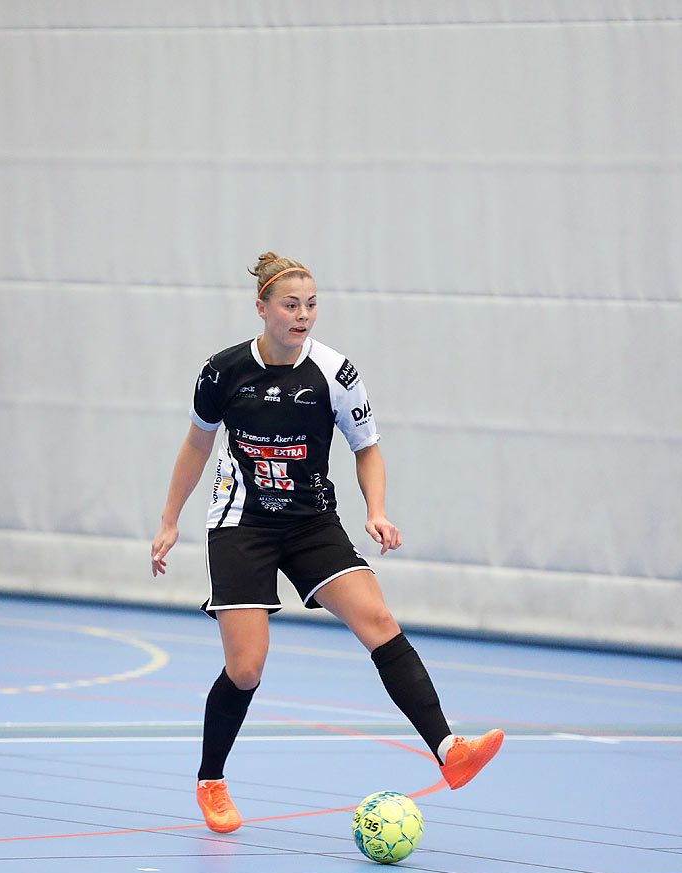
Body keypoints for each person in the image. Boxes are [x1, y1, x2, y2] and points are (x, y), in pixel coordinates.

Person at [151, 252, 504, 834]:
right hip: (242, 524)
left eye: (311, 304)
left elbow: (367, 447)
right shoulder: (222, 373)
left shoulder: (336, 373)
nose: (303, 315)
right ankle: (211, 779)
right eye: (291, 305)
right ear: (261, 308)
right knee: (246, 668)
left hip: (311, 522)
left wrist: (378, 510)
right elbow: (196, 444)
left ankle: (448, 749)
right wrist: (170, 519)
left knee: (379, 620)